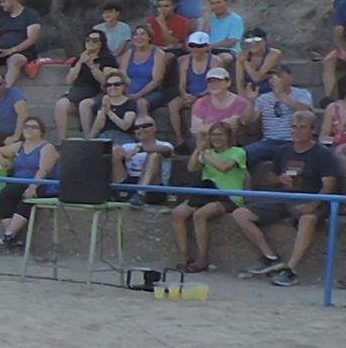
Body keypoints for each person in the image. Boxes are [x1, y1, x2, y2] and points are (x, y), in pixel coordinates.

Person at [229, 112, 342, 287]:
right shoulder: (284, 150)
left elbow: (329, 185)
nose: (297, 131)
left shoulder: (323, 154)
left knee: (308, 219)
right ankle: (270, 256)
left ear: (313, 130)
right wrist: (279, 179)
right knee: (240, 214)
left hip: (311, 198)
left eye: (302, 127)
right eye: (294, 127)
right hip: (285, 198)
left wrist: (313, 204)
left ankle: (291, 269)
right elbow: (271, 176)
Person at [171, 122, 246, 273]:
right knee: (178, 213)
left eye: (220, 135)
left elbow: (224, 167)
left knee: (201, 214)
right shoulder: (208, 153)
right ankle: (185, 257)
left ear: (228, 137)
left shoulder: (238, 152)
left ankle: (202, 259)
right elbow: (192, 167)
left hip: (229, 195)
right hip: (208, 191)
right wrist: (199, 148)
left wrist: (205, 154)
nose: (216, 138)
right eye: (213, 135)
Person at [0, 117, 59, 251]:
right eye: (26, 126)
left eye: (33, 127)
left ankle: (9, 234)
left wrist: (33, 186)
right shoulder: (19, 146)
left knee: (28, 198)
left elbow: (44, 169)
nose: (29, 129)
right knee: (5, 195)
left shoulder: (47, 147)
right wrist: (2, 160)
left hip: (40, 182)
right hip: (18, 182)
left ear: (41, 131)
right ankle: (10, 234)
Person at [54, 29, 117, 140]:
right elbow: (69, 80)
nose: (91, 42)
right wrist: (80, 62)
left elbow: (105, 81)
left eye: (95, 40)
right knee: (61, 104)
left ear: (101, 43)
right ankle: (62, 141)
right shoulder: (79, 59)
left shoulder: (108, 59)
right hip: (79, 92)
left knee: (84, 104)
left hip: (98, 92)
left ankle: (88, 138)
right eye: (88, 40)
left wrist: (91, 65)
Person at [244, 65, 313, 166]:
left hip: (293, 141)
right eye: (272, 76)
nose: (275, 79)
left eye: (279, 76)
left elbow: (306, 111)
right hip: (269, 142)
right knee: (242, 155)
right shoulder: (263, 98)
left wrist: (280, 93)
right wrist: (251, 102)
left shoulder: (302, 94)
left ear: (291, 77)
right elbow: (248, 121)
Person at [167, 32, 218, 140]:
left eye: (200, 46)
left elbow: (214, 85)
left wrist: (199, 97)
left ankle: (199, 139)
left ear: (207, 47)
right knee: (173, 105)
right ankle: (179, 139)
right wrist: (185, 94)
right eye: (193, 45)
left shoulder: (215, 61)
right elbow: (182, 84)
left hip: (208, 95)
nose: (196, 49)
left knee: (198, 105)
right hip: (190, 95)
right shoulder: (185, 61)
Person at [113, 118, 175, 203]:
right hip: (130, 183)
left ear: (155, 128)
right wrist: (116, 150)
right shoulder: (128, 147)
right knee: (114, 151)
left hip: (154, 187)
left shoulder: (165, 144)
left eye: (146, 126)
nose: (141, 129)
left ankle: (140, 194)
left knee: (154, 155)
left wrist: (140, 149)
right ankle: (117, 192)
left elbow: (167, 150)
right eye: (137, 127)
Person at [117, 23, 170, 114]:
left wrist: (138, 95)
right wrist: (127, 92)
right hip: (130, 89)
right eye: (136, 34)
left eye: (142, 34)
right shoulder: (129, 53)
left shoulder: (158, 54)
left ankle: (143, 124)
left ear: (149, 37)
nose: (138, 37)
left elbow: (157, 80)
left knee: (140, 103)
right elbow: (122, 75)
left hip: (152, 91)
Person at [188, 67, 247, 145]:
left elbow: (233, 127)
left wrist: (206, 127)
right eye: (210, 82)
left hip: (233, 144)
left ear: (228, 82)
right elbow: (195, 130)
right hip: (206, 143)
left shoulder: (240, 102)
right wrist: (223, 124)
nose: (213, 84)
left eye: (218, 81)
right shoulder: (201, 103)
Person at [85, 72, 141, 143]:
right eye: (109, 85)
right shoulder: (103, 101)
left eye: (117, 84)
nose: (112, 87)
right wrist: (89, 139)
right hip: (105, 136)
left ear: (123, 86)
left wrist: (109, 112)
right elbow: (99, 125)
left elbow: (125, 126)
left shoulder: (130, 103)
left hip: (123, 136)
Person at [200, 0, 246, 65]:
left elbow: (232, 42)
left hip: (228, 51)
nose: (216, 6)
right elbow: (203, 38)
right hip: (209, 50)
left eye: (218, 2)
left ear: (226, 2)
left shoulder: (236, 19)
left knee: (221, 58)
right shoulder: (211, 19)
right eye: (212, 3)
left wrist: (212, 46)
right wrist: (207, 20)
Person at [234, 28, 282, 99]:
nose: (253, 44)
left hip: (269, 91)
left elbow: (256, 78)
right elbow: (239, 82)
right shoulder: (242, 55)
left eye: (257, 41)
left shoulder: (274, 54)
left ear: (265, 41)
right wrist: (243, 98)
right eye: (249, 41)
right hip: (249, 90)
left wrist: (245, 61)